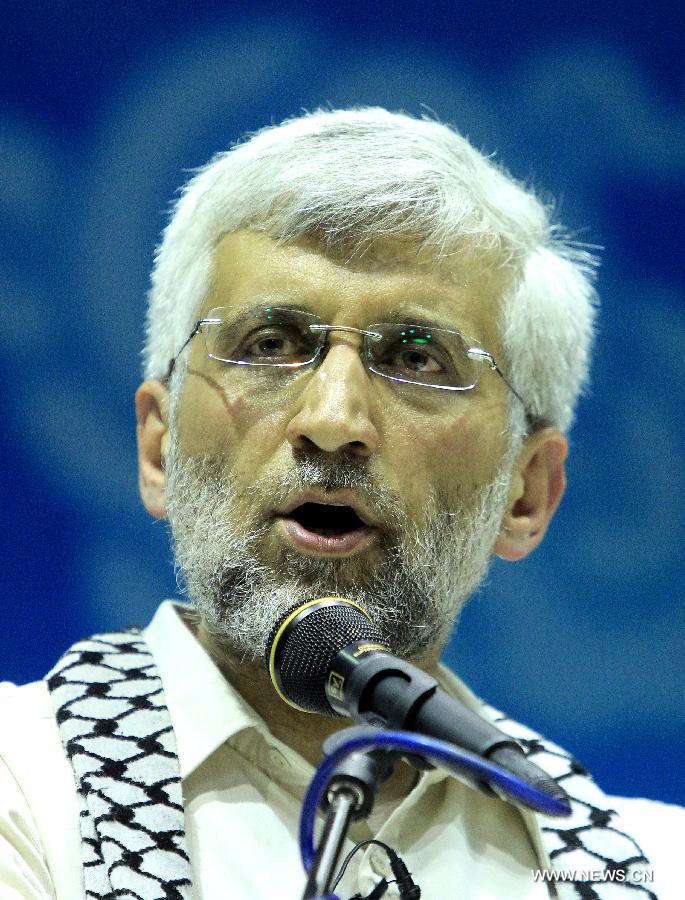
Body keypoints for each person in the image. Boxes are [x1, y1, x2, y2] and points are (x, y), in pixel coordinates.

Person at [0, 107, 681, 900]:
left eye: (417, 357)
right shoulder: (24, 786)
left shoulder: (652, 868)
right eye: (270, 344)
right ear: (158, 449)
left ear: (524, 494)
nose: (332, 421)